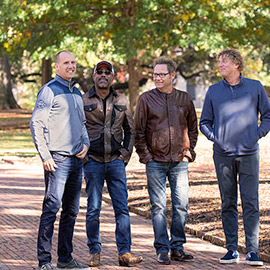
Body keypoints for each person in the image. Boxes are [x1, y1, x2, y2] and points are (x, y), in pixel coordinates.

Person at [200, 49, 270, 266]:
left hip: (249, 154)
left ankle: (252, 252)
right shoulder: (213, 91)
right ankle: (231, 250)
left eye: (225, 61)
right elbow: (204, 122)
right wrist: (217, 138)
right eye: (219, 62)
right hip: (223, 156)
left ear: (237, 64)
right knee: (227, 202)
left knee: (251, 202)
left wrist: (255, 136)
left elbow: (267, 116)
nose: (220, 65)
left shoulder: (255, 87)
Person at [134, 56, 198, 265]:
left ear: (172, 75)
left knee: (181, 205)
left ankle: (177, 247)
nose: (158, 78)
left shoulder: (185, 99)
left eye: (162, 74)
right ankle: (162, 248)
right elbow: (138, 132)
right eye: (155, 74)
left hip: (179, 161)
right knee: (158, 206)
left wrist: (190, 150)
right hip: (156, 162)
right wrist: (147, 157)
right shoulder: (145, 99)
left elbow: (193, 128)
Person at [30, 50, 90, 270]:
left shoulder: (76, 92)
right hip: (57, 161)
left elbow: (83, 123)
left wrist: (86, 145)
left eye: (73, 62)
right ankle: (44, 262)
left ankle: (65, 258)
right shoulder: (49, 91)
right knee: (51, 209)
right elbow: (37, 124)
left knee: (71, 211)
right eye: (66, 63)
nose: (71, 66)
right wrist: (45, 155)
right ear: (56, 66)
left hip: (76, 162)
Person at [82, 61, 143, 267]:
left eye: (107, 73)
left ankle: (124, 252)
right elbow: (76, 129)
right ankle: (94, 252)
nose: (103, 75)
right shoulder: (83, 100)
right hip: (93, 162)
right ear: (94, 75)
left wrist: (124, 156)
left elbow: (130, 130)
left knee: (122, 208)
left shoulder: (122, 100)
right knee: (93, 209)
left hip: (116, 161)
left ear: (112, 77)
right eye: (99, 72)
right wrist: (84, 157)